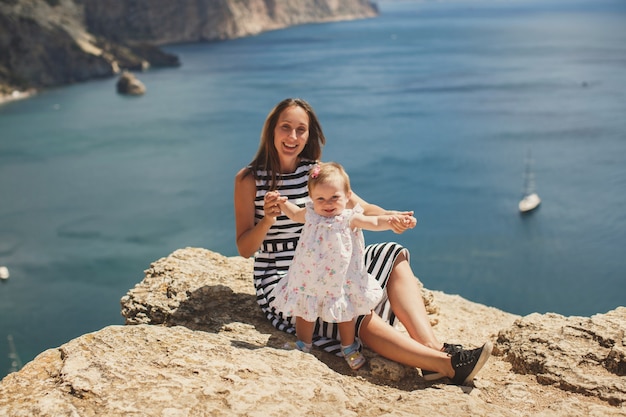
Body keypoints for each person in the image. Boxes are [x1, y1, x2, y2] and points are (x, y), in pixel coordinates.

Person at [234, 97, 492, 385]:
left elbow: (359, 207)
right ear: (272, 130)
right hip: (287, 282)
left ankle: (432, 347)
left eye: (301, 129)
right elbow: (245, 249)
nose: (293, 137)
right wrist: (268, 219)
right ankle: (447, 366)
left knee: (393, 254)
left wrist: (391, 217)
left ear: (309, 134)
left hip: (330, 264)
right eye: (285, 127)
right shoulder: (249, 179)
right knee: (351, 309)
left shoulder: (316, 172)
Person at [267, 162, 417, 370]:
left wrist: (391, 220)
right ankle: (303, 343)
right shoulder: (310, 214)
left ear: (347, 195)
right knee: (305, 310)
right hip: (309, 276)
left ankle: (349, 347)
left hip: (341, 279)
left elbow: (373, 223)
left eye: (334, 198)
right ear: (311, 198)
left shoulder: (349, 218)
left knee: (345, 312)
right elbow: (293, 214)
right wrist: (281, 203)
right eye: (320, 198)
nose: (327, 204)